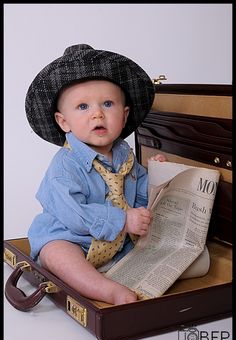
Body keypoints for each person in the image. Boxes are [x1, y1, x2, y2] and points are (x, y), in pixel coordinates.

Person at [26, 44, 166, 305]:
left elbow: (142, 195)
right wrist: (124, 220)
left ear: (124, 117)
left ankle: (121, 273)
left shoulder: (126, 158)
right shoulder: (64, 166)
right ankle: (108, 290)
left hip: (117, 242)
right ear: (63, 121)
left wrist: (157, 174)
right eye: (82, 106)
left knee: (151, 246)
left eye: (108, 103)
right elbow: (74, 214)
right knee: (55, 253)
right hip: (74, 238)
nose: (97, 113)